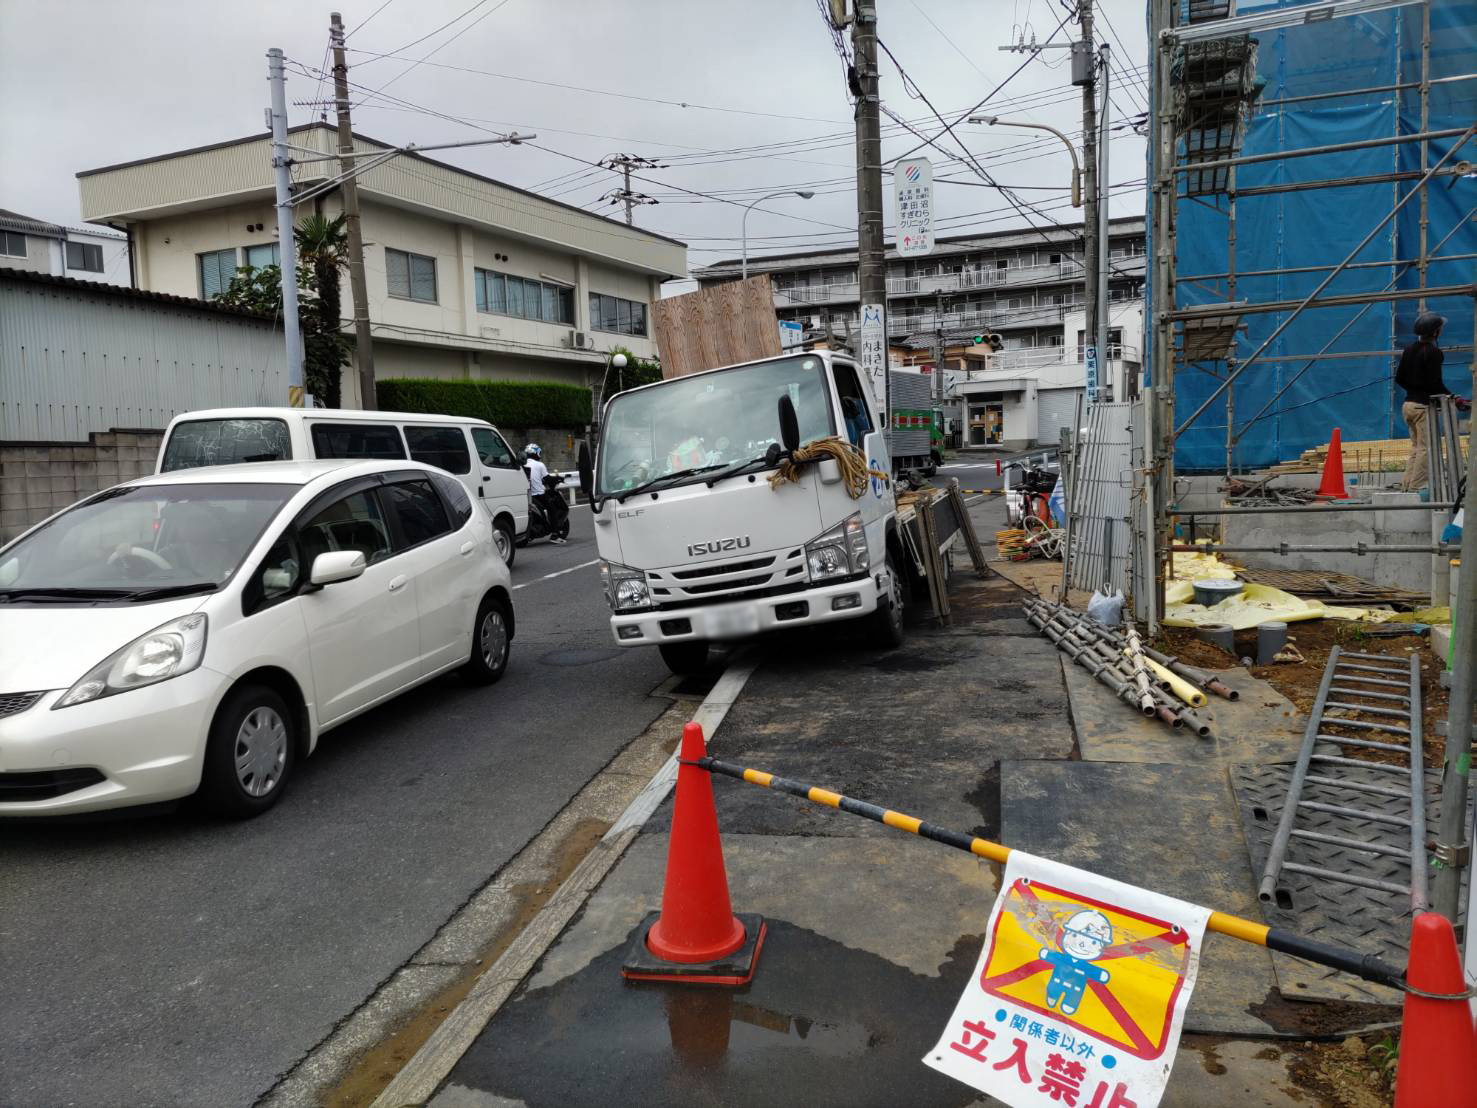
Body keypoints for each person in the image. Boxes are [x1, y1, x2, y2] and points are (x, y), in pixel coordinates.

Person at [1397, 312, 1469, 491]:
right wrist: (1453, 397)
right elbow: (1435, 384)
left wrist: (1415, 389)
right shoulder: (1434, 353)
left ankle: (1407, 485)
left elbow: (1400, 379)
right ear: (1435, 333)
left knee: (1416, 447)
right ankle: (1418, 487)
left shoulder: (1408, 350)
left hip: (1407, 405)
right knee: (1426, 448)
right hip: (1422, 407)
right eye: (1440, 328)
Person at [522, 444, 566, 544]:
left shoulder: (522, 465)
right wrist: (558, 478)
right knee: (552, 510)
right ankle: (554, 535)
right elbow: (548, 480)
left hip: (526, 496)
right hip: (538, 495)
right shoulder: (539, 465)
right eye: (539, 453)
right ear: (536, 453)